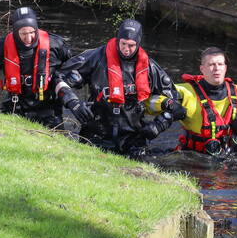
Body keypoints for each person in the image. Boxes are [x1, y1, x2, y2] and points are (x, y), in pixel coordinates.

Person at [60, 19, 178, 154]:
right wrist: (74, 103)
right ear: (117, 39)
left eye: (131, 45)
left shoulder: (150, 68)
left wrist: (159, 125)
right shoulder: (96, 57)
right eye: (123, 44)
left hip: (133, 140)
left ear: (138, 43)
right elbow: (60, 77)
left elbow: (176, 103)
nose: (126, 49)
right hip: (96, 134)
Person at [0, 6, 90, 129]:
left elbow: (72, 68)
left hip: (49, 107)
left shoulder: (56, 45)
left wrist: (71, 96)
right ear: (15, 32)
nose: (28, 38)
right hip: (15, 105)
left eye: (32, 32)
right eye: (23, 34)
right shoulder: (0, 48)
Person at [149, 47, 237, 155]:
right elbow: (149, 103)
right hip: (193, 156)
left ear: (225, 68)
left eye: (220, 64)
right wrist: (168, 104)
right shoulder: (185, 92)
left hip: (233, 156)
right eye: (211, 65)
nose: (216, 68)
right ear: (202, 69)